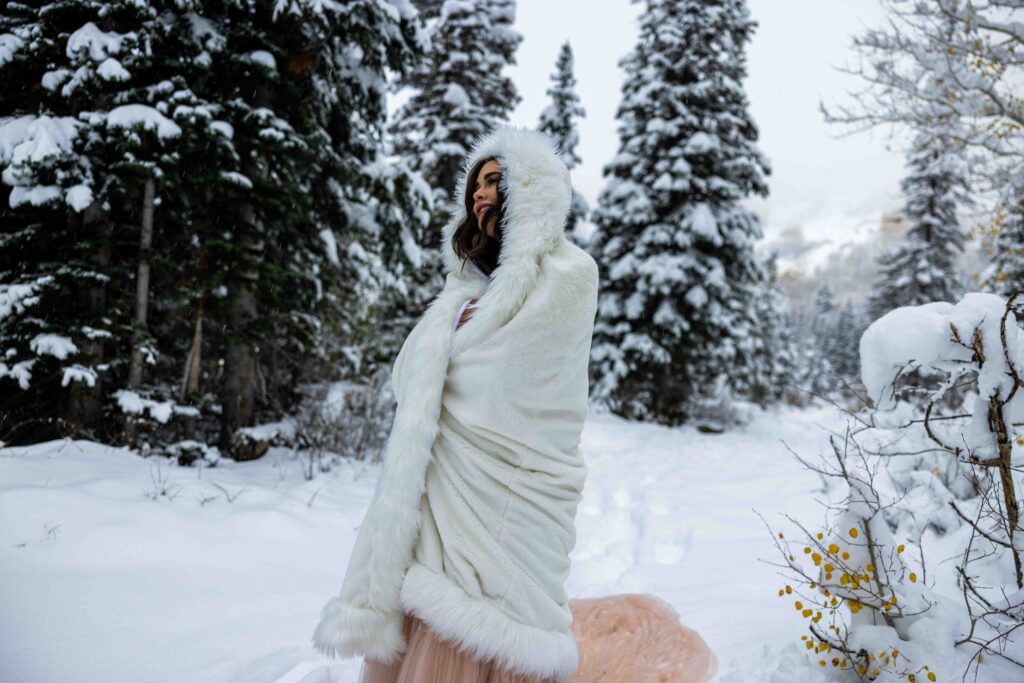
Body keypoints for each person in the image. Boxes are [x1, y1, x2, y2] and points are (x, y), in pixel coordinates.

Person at [312, 125, 598, 682]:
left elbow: (518, 378)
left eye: (495, 182)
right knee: (432, 622)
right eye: (475, 188)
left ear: (532, 191)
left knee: (490, 626)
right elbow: (406, 380)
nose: (480, 195)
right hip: (442, 495)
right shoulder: (461, 292)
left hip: (513, 487)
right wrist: (450, 331)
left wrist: (456, 350)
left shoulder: (571, 275)